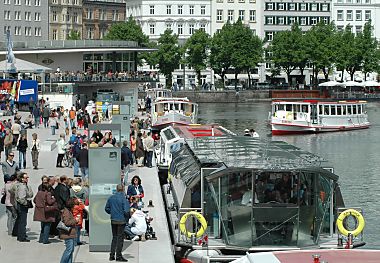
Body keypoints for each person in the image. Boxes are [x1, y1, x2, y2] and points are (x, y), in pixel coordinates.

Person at [104, 184, 129, 262]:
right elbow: (126, 211)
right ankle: (118, 256)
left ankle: (111, 255)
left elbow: (106, 208)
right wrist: (127, 218)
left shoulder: (111, 198)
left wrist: (112, 212)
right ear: (123, 189)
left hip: (113, 220)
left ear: (117, 189)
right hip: (121, 220)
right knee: (120, 238)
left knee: (114, 237)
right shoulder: (123, 199)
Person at [11, 172, 34, 242]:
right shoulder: (22, 187)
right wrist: (26, 203)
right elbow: (21, 198)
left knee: (20, 220)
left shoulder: (20, 185)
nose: (27, 179)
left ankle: (18, 234)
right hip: (22, 206)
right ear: (22, 179)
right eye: (26, 178)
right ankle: (21, 237)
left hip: (19, 205)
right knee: (23, 222)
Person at [59, 198, 78, 263]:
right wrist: (75, 220)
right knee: (69, 250)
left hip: (69, 234)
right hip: (68, 234)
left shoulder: (67, 211)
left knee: (71, 250)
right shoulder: (66, 212)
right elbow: (67, 222)